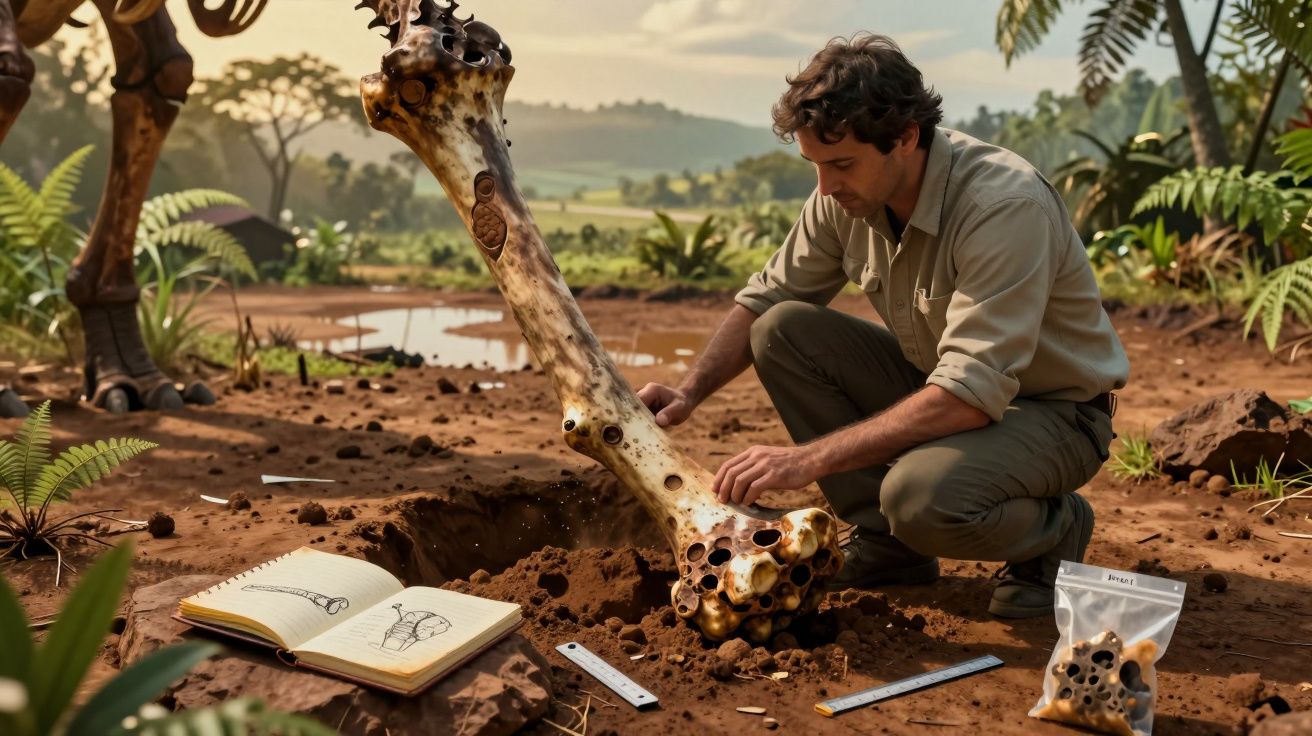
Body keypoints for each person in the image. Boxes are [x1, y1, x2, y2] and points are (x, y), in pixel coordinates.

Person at [637, 33, 1129, 618]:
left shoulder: (1002, 206)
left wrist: (806, 461)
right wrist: (689, 392)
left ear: (906, 137)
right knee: (783, 329)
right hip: (945, 390)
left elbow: (970, 394)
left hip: (1055, 414)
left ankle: (1055, 529)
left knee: (920, 498)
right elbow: (767, 298)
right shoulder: (843, 197)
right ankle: (892, 548)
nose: (825, 187)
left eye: (841, 164)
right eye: (815, 165)